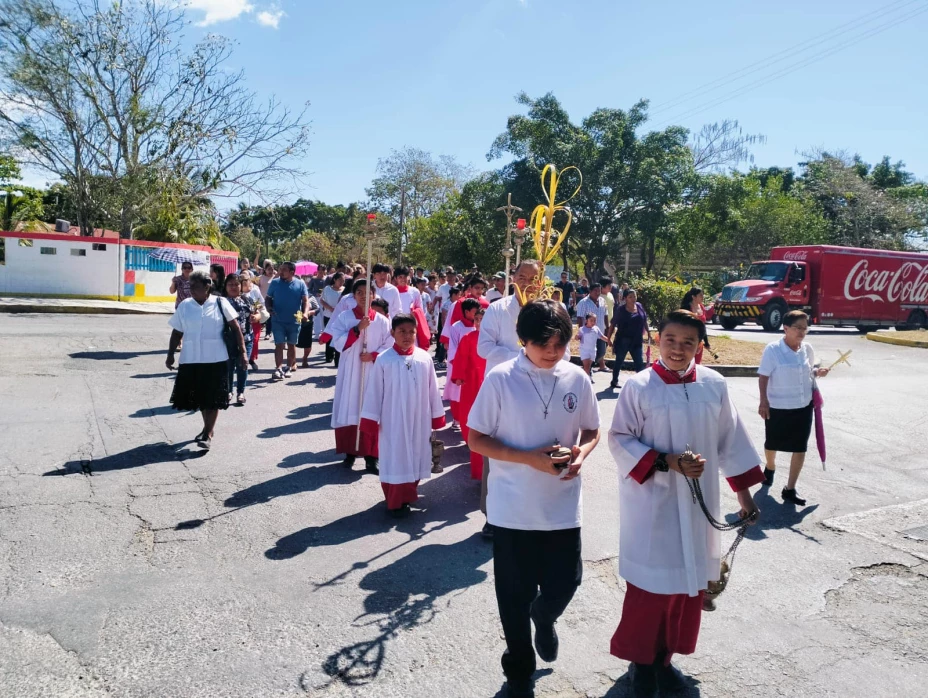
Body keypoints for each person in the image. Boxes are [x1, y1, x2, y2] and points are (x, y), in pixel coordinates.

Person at [607, 310, 763, 695]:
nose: (678, 349)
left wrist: (744, 498)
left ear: (700, 346)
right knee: (652, 590)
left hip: (698, 505)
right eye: (671, 340)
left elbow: (731, 441)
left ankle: (665, 660)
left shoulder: (713, 384)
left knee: (686, 589)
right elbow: (620, 439)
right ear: (657, 340)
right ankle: (641, 665)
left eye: (688, 342)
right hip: (653, 503)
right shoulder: (640, 386)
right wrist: (667, 461)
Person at [468, 300, 601, 698]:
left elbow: (592, 430)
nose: (553, 351)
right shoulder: (501, 378)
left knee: (567, 581)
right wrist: (528, 459)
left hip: (561, 504)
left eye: (561, 343)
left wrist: (581, 453)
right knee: (513, 597)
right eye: (543, 343)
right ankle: (519, 671)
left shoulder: (577, 378)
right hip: (512, 509)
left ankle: (545, 615)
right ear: (522, 339)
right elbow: (476, 438)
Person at [476, 259, 544, 539]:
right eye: (522, 276)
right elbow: (483, 348)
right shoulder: (497, 309)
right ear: (512, 277)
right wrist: (521, 357)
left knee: (535, 451)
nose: (527, 282)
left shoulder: (551, 311)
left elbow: (563, 353)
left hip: (539, 394)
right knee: (497, 453)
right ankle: (493, 515)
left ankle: (530, 515)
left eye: (533, 277)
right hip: (503, 391)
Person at [360, 313, 446, 518]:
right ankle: (395, 498)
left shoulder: (424, 358)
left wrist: (436, 416)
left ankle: (408, 494)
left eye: (411, 332)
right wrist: (371, 420)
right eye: (402, 331)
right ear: (392, 333)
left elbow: (433, 388)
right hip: (393, 419)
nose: (407, 336)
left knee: (416, 455)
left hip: (419, 418)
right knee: (396, 457)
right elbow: (374, 392)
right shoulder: (384, 360)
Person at [165, 271, 246, 450]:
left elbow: (236, 328)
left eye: (196, 286)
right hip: (191, 358)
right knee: (202, 398)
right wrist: (170, 354)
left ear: (207, 287)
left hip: (216, 358)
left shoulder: (220, 302)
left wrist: (243, 353)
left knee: (214, 398)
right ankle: (207, 429)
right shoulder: (185, 306)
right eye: (190, 286)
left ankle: (208, 433)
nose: (191, 290)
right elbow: (177, 331)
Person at [758, 310, 829, 505]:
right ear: (786, 328)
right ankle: (770, 466)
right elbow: (763, 376)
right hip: (778, 406)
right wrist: (763, 401)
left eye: (805, 328)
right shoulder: (773, 350)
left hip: (803, 405)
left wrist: (817, 371)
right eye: (797, 328)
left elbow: (807, 371)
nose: (801, 332)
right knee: (772, 443)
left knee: (800, 447)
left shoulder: (807, 348)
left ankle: (790, 489)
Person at [323, 280, 393, 473]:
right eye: (359, 292)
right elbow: (337, 342)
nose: (363, 296)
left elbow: (389, 344)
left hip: (372, 370)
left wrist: (373, 355)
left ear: (374, 296)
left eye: (367, 292)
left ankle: (371, 457)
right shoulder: (345, 317)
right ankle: (350, 452)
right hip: (351, 370)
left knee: (370, 410)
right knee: (350, 406)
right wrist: (357, 329)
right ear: (353, 296)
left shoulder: (382, 321)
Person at [450, 307, 487, 480]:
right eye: (476, 319)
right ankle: (472, 444)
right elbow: (461, 357)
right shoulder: (468, 337)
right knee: (470, 417)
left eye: (482, 319)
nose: (478, 322)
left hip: (488, 381)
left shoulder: (494, 339)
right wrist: (458, 375)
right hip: (472, 383)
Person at [265, 261, 309, 381]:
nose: (281, 272)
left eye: (284, 270)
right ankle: (278, 369)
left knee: (291, 344)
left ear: (292, 272)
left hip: (294, 321)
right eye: (280, 269)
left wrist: (305, 313)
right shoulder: (275, 283)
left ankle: (288, 367)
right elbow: (268, 298)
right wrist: (269, 308)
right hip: (277, 320)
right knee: (279, 344)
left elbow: (305, 301)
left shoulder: (300, 284)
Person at [443, 298, 480, 429]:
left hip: (475, 366)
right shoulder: (456, 327)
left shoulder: (479, 325)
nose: (477, 316)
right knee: (456, 392)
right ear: (466, 311)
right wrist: (458, 366)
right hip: (459, 364)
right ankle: (457, 419)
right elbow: (453, 347)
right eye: (475, 312)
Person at [222, 274, 258, 405]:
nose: (233, 287)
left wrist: (257, 317)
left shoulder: (247, 299)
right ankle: (228, 391)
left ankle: (240, 392)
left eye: (236, 284)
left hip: (247, 338)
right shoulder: (221, 302)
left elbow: (259, 312)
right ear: (225, 286)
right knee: (229, 366)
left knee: (243, 365)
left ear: (241, 286)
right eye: (230, 284)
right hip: (227, 340)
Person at [608, 289, 649, 390]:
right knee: (619, 361)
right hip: (623, 340)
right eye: (630, 297)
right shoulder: (621, 310)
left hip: (637, 340)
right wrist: (608, 338)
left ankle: (641, 384)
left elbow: (644, 320)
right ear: (625, 298)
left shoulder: (639, 306)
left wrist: (648, 332)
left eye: (634, 296)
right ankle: (614, 381)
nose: (633, 299)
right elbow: (613, 324)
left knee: (639, 363)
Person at [393, 266, 431, 349]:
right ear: (395, 278)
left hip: (411, 325)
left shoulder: (415, 292)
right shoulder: (392, 292)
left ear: (409, 277)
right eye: (400, 277)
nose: (403, 279)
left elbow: (421, 310)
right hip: (396, 325)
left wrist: (415, 312)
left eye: (405, 276)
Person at [575, 283, 609, 373]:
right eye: (595, 290)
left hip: (600, 331)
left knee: (601, 352)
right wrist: (581, 332)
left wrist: (608, 328)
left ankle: (587, 368)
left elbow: (606, 315)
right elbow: (580, 318)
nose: (598, 292)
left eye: (599, 290)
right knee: (589, 354)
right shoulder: (583, 302)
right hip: (588, 334)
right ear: (590, 291)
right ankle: (588, 371)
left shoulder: (602, 301)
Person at [681, 287, 713, 364]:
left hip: (699, 342)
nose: (703, 297)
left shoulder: (701, 307)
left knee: (697, 364)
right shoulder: (686, 308)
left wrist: (706, 342)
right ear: (693, 297)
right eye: (700, 295)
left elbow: (702, 326)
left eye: (703, 295)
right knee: (686, 363)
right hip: (688, 342)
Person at [320, 272, 345, 364]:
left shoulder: (345, 290)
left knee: (338, 336)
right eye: (340, 280)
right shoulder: (327, 289)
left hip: (340, 317)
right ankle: (329, 356)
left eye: (343, 281)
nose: (341, 283)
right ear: (335, 279)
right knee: (329, 336)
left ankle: (337, 359)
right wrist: (330, 308)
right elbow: (322, 300)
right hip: (328, 315)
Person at [241, 275, 264, 371]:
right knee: (243, 342)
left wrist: (257, 307)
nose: (245, 282)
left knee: (254, 340)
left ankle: (251, 359)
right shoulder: (237, 293)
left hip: (255, 319)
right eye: (243, 280)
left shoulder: (255, 290)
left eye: (247, 280)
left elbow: (262, 302)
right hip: (242, 322)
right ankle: (244, 360)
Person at [578, 312, 611, 380]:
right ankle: (587, 380)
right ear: (586, 320)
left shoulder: (596, 329)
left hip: (592, 350)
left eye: (595, 321)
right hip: (584, 350)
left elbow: (602, 336)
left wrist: (609, 341)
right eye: (591, 320)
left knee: (588, 366)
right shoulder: (582, 329)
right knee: (586, 366)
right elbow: (578, 337)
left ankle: (584, 377)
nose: (593, 322)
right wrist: (577, 337)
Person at [296, 293, 321, 368]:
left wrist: (310, 313)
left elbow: (318, 308)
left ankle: (305, 358)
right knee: (292, 342)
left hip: (307, 323)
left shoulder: (311, 296)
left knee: (307, 343)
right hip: (294, 323)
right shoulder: (292, 295)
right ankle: (292, 361)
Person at [257, 260, 276, 339]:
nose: (270, 271)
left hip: (272, 300)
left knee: (269, 317)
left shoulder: (275, 278)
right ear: (265, 270)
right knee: (261, 316)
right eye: (269, 269)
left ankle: (268, 333)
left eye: (272, 269)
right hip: (262, 300)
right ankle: (257, 331)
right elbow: (256, 288)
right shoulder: (260, 278)